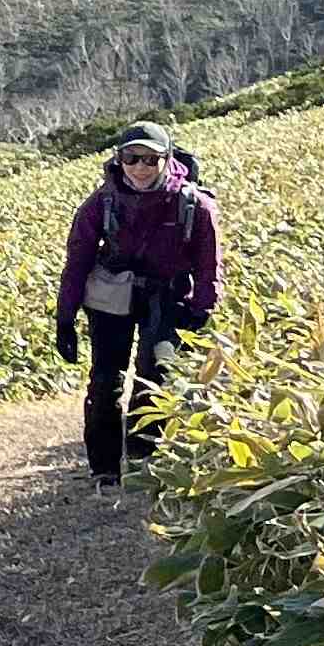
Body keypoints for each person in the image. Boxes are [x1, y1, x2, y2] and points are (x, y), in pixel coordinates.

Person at [58, 124, 218, 486]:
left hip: (168, 298)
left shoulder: (196, 205)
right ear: (119, 160)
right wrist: (65, 318)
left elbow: (209, 265)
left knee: (155, 379)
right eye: (131, 158)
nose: (140, 167)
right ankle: (105, 471)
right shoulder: (101, 203)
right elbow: (78, 261)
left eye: (150, 159)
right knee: (105, 382)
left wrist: (201, 311)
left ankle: (144, 462)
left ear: (168, 158)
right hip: (111, 298)